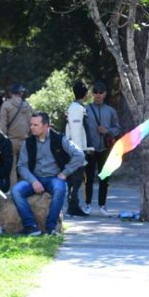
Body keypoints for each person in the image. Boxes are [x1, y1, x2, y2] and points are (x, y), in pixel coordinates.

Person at [11, 112, 85, 235]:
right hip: (34, 178)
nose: (31, 127)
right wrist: (33, 181)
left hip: (54, 178)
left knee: (60, 189)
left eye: (35, 125)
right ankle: (31, 226)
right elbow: (22, 166)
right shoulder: (28, 143)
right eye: (31, 124)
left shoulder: (60, 139)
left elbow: (79, 155)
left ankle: (50, 228)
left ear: (46, 126)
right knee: (16, 191)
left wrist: (65, 173)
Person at [83, 80, 120, 215]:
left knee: (105, 178)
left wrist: (107, 130)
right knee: (88, 178)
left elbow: (117, 129)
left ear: (105, 94)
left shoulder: (110, 111)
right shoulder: (85, 109)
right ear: (92, 94)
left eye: (100, 92)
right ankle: (87, 204)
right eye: (95, 92)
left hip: (105, 149)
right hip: (90, 149)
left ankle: (102, 205)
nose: (98, 95)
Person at [0, 83, 34, 178]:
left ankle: (12, 189)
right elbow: (32, 124)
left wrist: (2, 141)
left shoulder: (6, 105)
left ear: (10, 93)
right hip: (25, 141)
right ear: (21, 93)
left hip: (10, 141)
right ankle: (24, 189)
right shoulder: (27, 106)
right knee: (25, 167)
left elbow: (3, 126)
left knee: (12, 168)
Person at [65, 81, 89, 213]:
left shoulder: (77, 107)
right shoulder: (76, 108)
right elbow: (75, 131)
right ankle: (73, 206)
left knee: (76, 179)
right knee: (76, 179)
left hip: (76, 149)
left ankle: (74, 204)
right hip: (76, 150)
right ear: (85, 94)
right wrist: (79, 152)